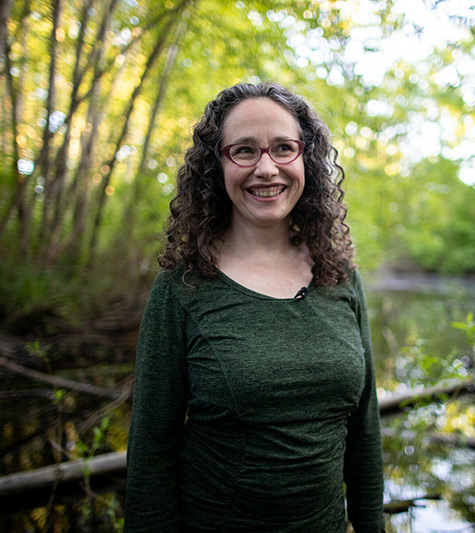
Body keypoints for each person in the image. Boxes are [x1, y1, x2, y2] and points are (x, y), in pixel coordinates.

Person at [124, 82, 385, 532]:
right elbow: (151, 453)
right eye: (244, 150)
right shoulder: (183, 287)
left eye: (284, 148)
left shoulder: (340, 276)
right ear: (216, 166)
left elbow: (364, 430)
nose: (267, 168)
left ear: (306, 158)